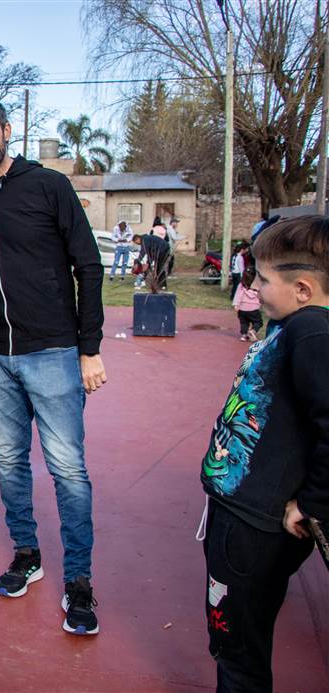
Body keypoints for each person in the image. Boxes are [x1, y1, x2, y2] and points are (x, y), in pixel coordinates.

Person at [0, 94, 106, 635]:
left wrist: (90, 347)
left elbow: (88, 265)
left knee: (68, 468)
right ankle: (26, 554)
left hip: (55, 352)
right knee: (12, 463)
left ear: (7, 129)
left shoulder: (50, 186)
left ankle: (80, 580)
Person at [199, 214, 329, 691]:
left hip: (252, 525)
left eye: (263, 277)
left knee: (237, 646)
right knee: (239, 633)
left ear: (302, 288)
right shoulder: (295, 326)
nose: (252, 285)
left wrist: (313, 502)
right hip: (242, 512)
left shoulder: (312, 331)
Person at [232, 266, 263, 342]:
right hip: (254, 308)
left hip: (242, 308)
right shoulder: (257, 286)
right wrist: (261, 303)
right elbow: (260, 295)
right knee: (258, 322)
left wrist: (236, 304)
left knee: (244, 322)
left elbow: (238, 295)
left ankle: (243, 335)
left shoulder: (241, 285)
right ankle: (253, 331)